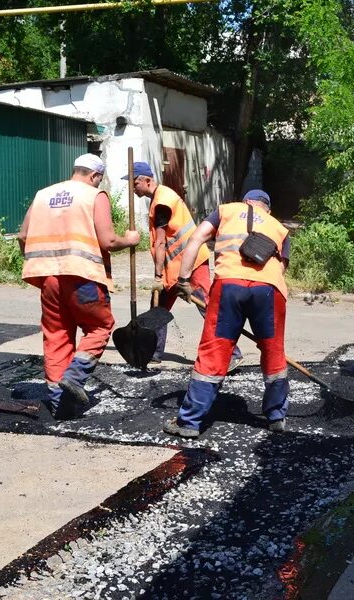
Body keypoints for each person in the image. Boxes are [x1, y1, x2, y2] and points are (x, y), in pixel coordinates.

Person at [19, 154, 140, 419]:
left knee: (57, 334)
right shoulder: (93, 196)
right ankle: (74, 377)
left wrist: (40, 260)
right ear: (95, 176)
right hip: (82, 276)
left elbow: (23, 236)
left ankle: (57, 402)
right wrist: (129, 240)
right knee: (100, 326)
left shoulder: (43, 195)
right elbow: (107, 240)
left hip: (48, 277)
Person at [163, 189, 290, 438]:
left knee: (215, 349)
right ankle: (276, 416)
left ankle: (189, 422)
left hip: (228, 287)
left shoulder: (225, 211)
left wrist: (184, 280)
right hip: (269, 291)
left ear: (245, 202)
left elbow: (196, 239)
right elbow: (280, 269)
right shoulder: (279, 228)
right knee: (273, 350)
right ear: (268, 208)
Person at [124, 161, 241, 368]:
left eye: (134, 183)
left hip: (192, 262)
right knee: (158, 307)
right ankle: (154, 353)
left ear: (147, 180)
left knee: (207, 306)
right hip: (175, 266)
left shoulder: (162, 202)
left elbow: (160, 242)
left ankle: (233, 354)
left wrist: (158, 276)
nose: (132, 188)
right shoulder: (160, 197)